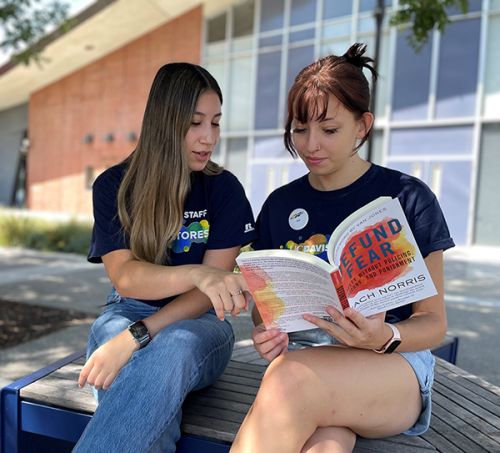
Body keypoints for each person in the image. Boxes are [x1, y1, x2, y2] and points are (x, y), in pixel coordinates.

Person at [229, 43, 455, 453]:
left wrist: (382, 336)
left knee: (288, 379)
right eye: (299, 128)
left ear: (363, 126)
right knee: (326, 445)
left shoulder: (406, 197)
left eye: (329, 130)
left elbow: (433, 323)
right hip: (308, 360)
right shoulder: (280, 205)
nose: (310, 144)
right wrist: (266, 332)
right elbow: (264, 312)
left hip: (391, 363)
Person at [73, 62, 258, 453]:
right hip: (126, 309)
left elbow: (211, 292)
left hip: (202, 323)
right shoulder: (114, 186)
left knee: (173, 345)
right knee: (112, 338)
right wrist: (198, 274)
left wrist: (139, 335)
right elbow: (125, 276)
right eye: (195, 123)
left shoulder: (223, 189)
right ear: (164, 121)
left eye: (216, 123)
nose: (209, 138)